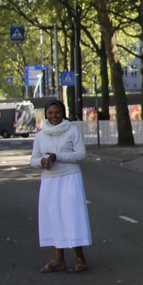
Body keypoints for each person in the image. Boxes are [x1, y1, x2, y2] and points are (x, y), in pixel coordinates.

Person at [30, 99, 93, 273]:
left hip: (70, 177)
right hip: (50, 180)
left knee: (72, 216)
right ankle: (58, 260)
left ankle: (80, 256)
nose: (54, 116)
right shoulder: (41, 135)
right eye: (50, 113)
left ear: (63, 113)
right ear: (45, 114)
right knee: (53, 217)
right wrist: (42, 161)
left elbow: (81, 155)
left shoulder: (72, 130)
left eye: (57, 112)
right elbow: (33, 159)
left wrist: (58, 156)